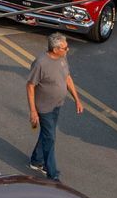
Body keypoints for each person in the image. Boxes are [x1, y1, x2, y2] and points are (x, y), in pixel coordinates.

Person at [25, 34, 84, 181]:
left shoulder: (62, 58)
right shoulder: (40, 63)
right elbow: (30, 86)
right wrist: (33, 111)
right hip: (44, 108)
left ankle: (36, 160)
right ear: (56, 49)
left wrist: (77, 99)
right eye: (65, 48)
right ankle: (52, 173)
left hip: (57, 105)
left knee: (47, 134)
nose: (67, 49)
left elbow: (67, 77)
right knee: (50, 138)